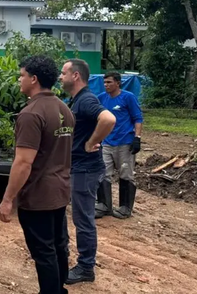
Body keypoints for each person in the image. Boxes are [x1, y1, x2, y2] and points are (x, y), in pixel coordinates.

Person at [0, 55, 74, 294]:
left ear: (34, 79)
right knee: (59, 245)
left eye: (21, 75)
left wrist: (8, 199)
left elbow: (23, 163)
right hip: (60, 191)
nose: (19, 80)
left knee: (43, 251)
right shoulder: (64, 109)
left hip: (39, 195)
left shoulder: (31, 114)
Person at [59, 59, 116, 285]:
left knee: (83, 220)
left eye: (63, 73)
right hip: (78, 167)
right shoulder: (76, 101)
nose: (60, 77)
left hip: (85, 168)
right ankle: (81, 262)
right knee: (80, 217)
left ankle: (85, 267)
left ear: (75, 76)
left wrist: (91, 141)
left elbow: (108, 118)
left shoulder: (86, 100)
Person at [96, 72, 143, 219]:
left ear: (118, 83)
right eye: (105, 83)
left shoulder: (128, 97)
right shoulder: (101, 98)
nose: (106, 85)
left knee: (126, 174)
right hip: (107, 142)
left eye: (109, 82)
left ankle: (125, 207)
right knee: (103, 172)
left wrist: (137, 137)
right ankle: (104, 205)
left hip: (125, 142)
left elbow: (137, 118)